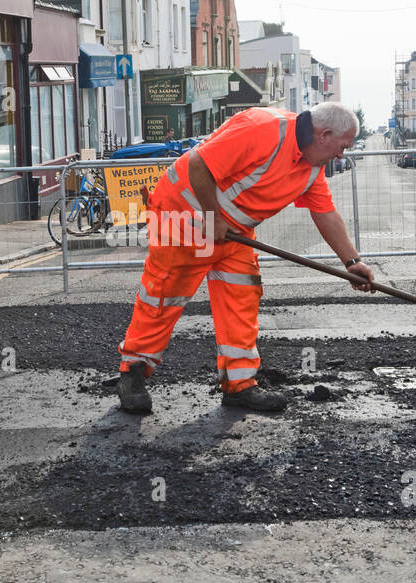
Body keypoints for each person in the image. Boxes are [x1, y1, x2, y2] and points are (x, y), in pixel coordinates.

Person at [116, 102, 376, 415]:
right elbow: (199, 164)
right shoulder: (262, 127)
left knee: (241, 299)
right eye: (342, 146)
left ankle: (239, 385)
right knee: (163, 297)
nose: (341, 155)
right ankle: (132, 374)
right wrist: (212, 217)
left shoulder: (312, 168)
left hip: (232, 234)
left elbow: (325, 213)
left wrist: (351, 263)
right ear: (323, 134)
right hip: (183, 219)